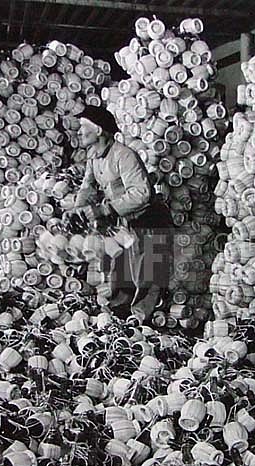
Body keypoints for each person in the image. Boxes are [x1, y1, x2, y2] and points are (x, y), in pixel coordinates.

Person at [69, 105, 171, 320]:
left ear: (98, 130)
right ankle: (120, 311)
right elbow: (88, 187)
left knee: (147, 271)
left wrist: (103, 209)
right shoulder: (94, 156)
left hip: (147, 219)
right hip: (123, 221)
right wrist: (77, 210)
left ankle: (142, 318)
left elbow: (142, 193)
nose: (79, 132)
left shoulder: (124, 156)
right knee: (121, 267)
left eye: (83, 127)